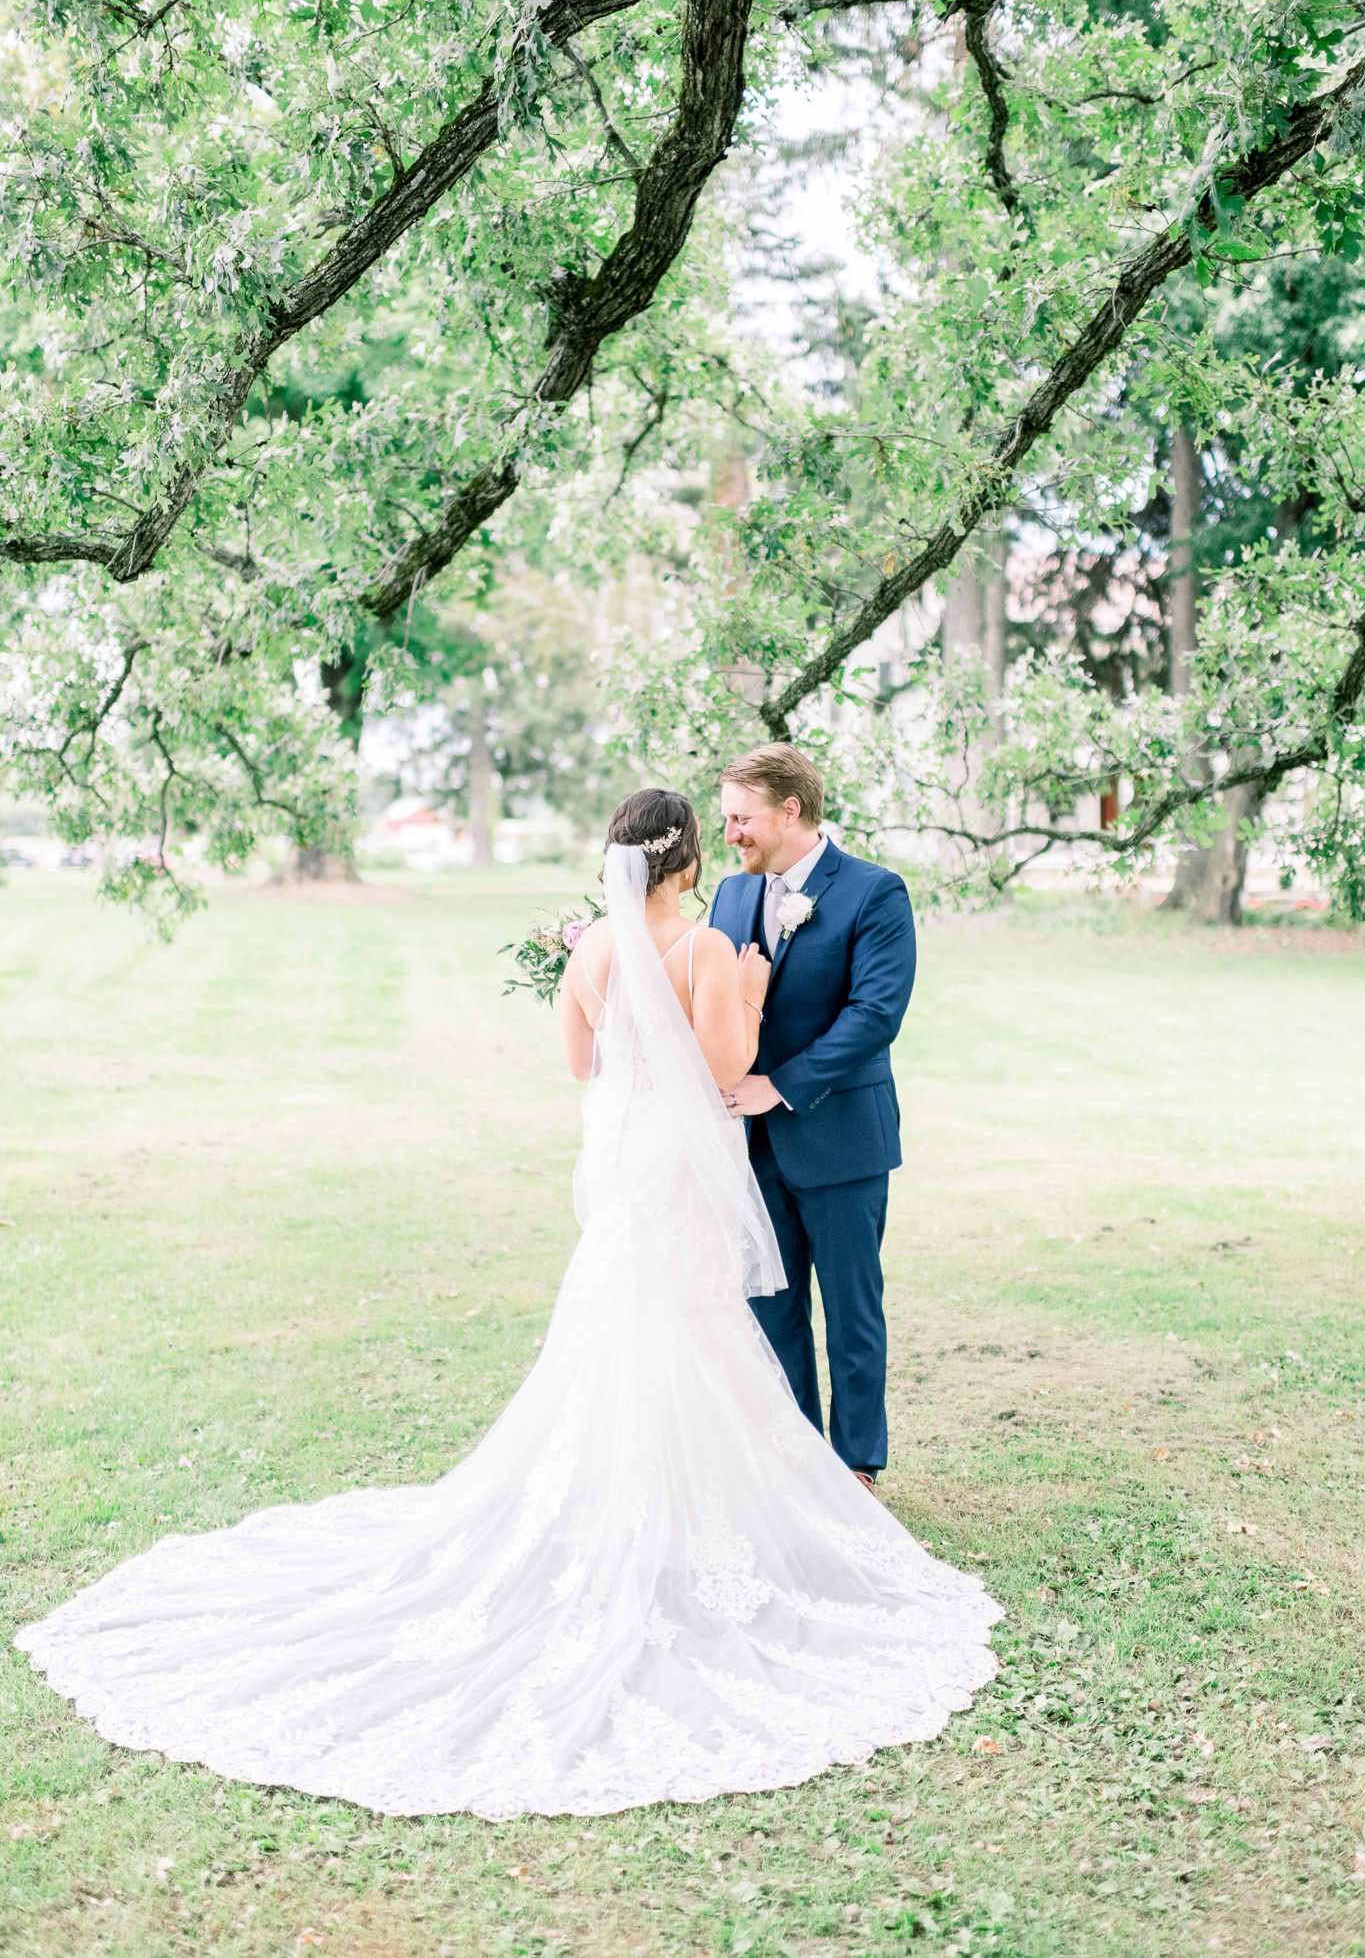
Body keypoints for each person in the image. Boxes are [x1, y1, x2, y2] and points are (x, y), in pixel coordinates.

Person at [16, 790, 999, 1820]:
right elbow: (725, 1068)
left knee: (622, 1321)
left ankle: (625, 1501)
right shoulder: (710, 947)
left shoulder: (586, 953)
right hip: (675, 1165)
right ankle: (714, 1503)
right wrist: (748, 988)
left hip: (623, 1161)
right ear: (685, 861)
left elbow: (582, 1064)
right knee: (694, 1325)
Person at [709, 745, 915, 1489]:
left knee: (852, 1313)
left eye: (742, 818)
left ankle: (856, 1464)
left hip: (841, 1138)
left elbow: (875, 1014)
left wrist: (782, 1086)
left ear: (789, 811)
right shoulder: (733, 897)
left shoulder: (874, 892)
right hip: (754, 1145)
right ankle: (798, 1466)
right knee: (773, 1306)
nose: (730, 834)